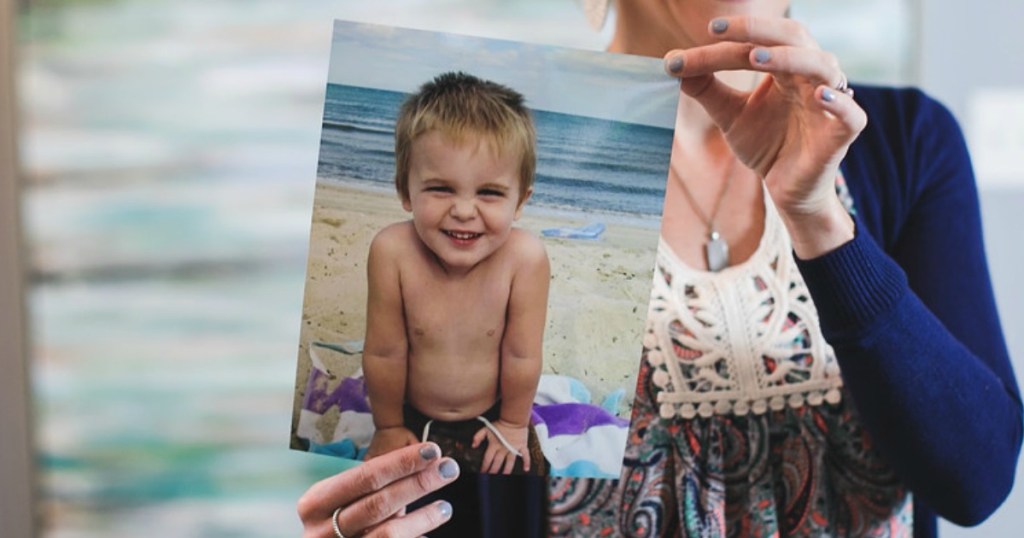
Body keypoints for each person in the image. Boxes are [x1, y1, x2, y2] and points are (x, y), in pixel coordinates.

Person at [298, 2, 1022, 537]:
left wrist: (821, 220)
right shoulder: (498, 162)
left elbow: (975, 483)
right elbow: (445, 478)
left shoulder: (903, 143)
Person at [361, 71, 550, 479]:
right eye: (441, 189)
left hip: (496, 415)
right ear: (405, 191)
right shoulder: (392, 251)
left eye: (490, 193)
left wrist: (515, 425)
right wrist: (389, 426)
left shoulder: (526, 258)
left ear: (520, 201)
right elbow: (384, 353)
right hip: (409, 417)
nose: (464, 211)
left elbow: (521, 355)